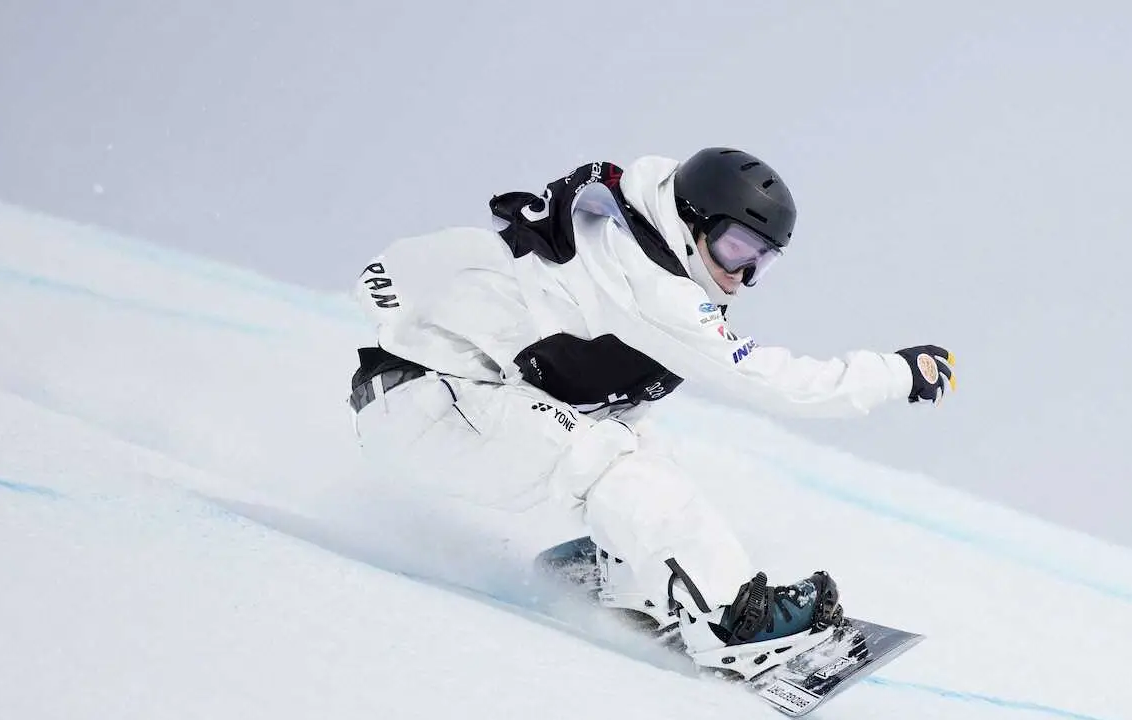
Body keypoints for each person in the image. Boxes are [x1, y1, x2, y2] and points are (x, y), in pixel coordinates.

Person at [348, 147, 955, 674]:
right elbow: (780, 384)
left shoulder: (625, 232)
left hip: (437, 398)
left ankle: (625, 582)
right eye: (735, 248)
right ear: (692, 220)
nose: (742, 275)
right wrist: (896, 374)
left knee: (640, 445)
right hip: (428, 404)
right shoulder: (652, 284)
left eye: (761, 261)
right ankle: (737, 625)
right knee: (611, 460)